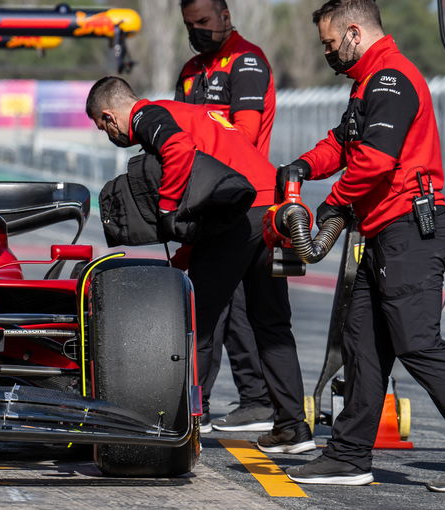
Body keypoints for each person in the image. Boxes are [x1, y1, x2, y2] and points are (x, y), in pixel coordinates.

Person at [280, 0, 445, 492]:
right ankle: (348, 455)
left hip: (412, 230)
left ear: (355, 33)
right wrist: (301, 167)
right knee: (362, 342)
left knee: (416, 341)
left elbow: (377, 161)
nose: (327, 51)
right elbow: (343, 144)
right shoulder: (368, 84)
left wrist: (333, 205)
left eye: (329, 42)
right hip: (386, 232)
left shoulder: (390, 80)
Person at [87, 76, 314, 456]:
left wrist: (166, 209)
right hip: (272, 213)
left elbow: (178, 150)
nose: (107, 133)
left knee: (196, 321)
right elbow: (212, 183)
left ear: (110, 116)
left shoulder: (148, 115)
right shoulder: (194, 114)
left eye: (102, 127)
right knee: (273, 325)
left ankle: (185, 423)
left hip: (240, 217)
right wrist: (186, 254)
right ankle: (293, 428)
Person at [176, 0, 277, 433]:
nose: (197, 30)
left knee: (225, 307)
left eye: (203, 21)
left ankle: (215, 401)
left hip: (245, 199)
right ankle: (254, 400)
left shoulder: (247, 61)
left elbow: (245, 137)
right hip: (208, 203)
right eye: (188, 24)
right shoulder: (188, 71)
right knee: (229, 309)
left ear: (225, 16)